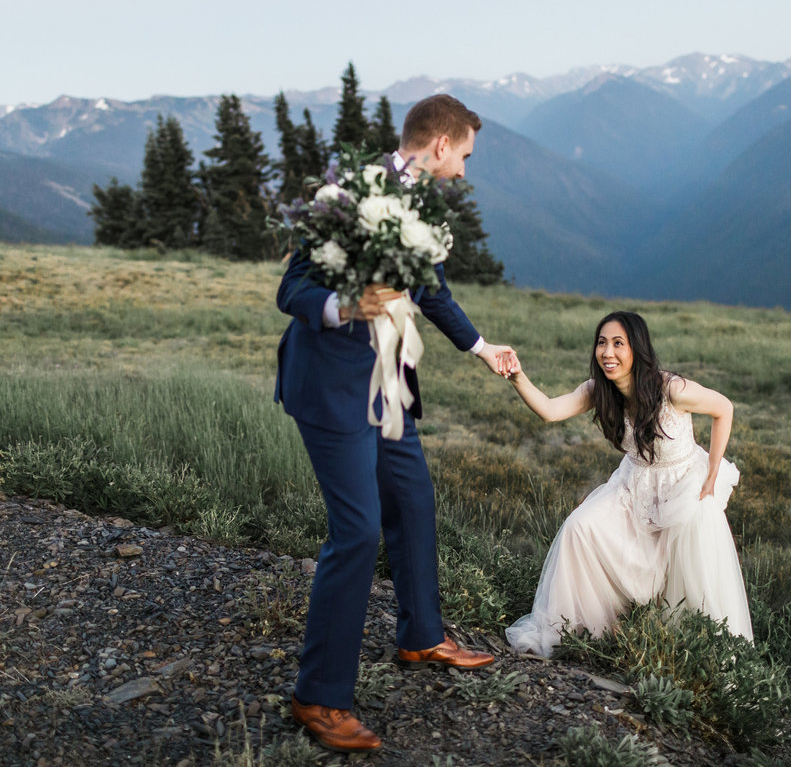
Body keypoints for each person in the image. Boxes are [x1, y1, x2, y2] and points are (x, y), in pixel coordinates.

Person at [275, 94, 517, 753]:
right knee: (355, 533)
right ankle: (317, 696)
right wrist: (344, 305)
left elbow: (429, 286)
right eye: (464, 155)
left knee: (412, 501)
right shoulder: (344, 194)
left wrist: (480, 346)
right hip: (331, 390)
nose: (464, 170)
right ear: (438, 145)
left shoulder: (422, 207)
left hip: (391, 385)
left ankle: (421, 636)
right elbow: (290, 290)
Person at [503, 310, 753, 657]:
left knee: (693, 576)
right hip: (634, 483)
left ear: (637, 349)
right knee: (580, 527)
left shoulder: (671, 389)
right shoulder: (599, 391)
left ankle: (701, 655)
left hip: (683, 486)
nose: (608, 353)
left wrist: (712, 472)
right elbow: (549, 410)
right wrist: (517, 376)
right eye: (602, 343)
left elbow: (723, 408)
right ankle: (583, 628)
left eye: (618, 344)